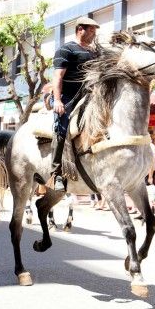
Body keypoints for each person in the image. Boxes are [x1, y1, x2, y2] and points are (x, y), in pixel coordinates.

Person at [51, 16, 100, 191]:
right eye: (91, 30)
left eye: (95, 31)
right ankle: (56, 173)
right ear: (81, 29)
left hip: (89, 96)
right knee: (61, 129)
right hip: (66, 97)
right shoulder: (66, 50)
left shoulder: (94, 53)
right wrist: (57, 101)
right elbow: (58, 77)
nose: (94, 34)